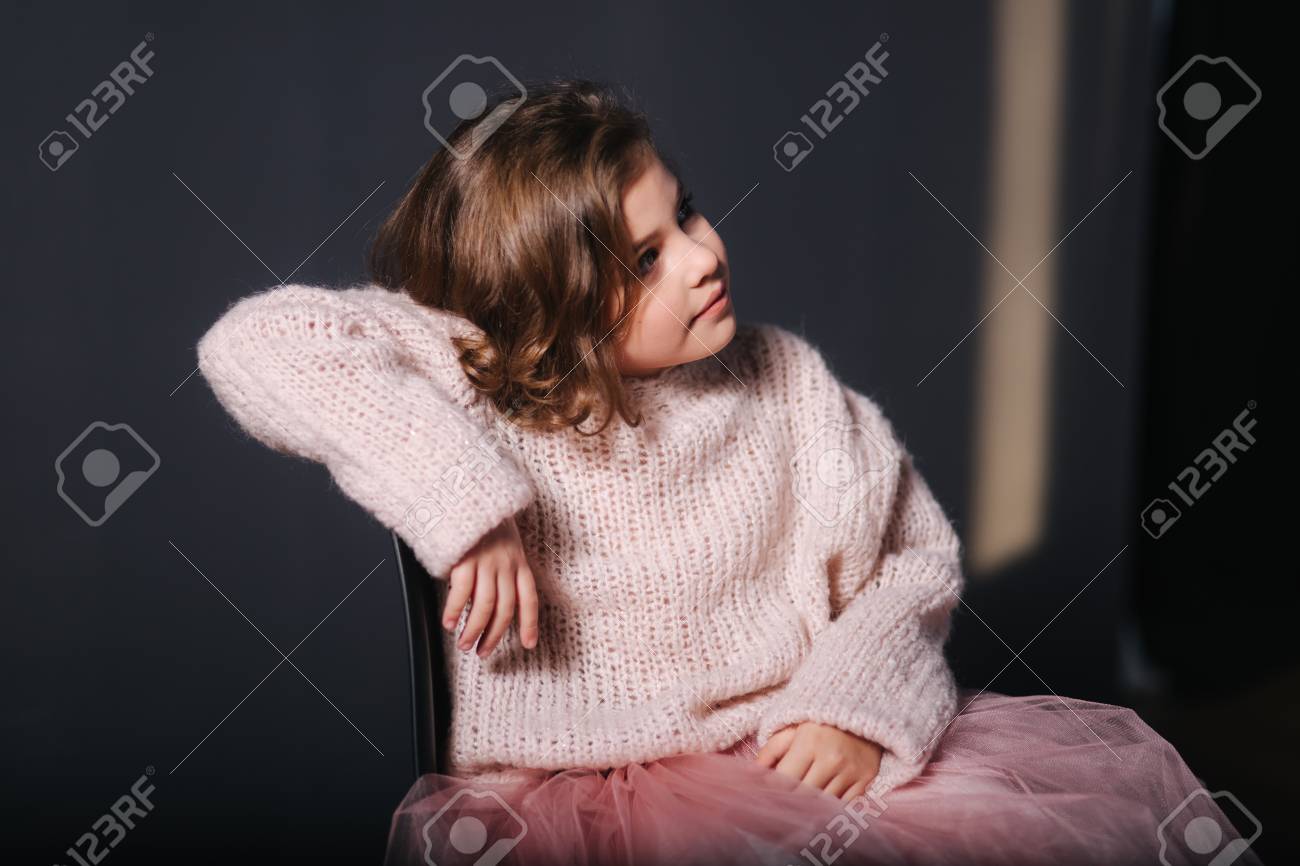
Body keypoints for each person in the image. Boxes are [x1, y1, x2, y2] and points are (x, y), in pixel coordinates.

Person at [195, 79, 1263, 866]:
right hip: (567, 797)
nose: (704, 256)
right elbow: (256, 345)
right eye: (645, 259)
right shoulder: (477, 367)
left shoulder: (784, 381)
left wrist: (852, 704)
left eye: (686, 213)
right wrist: (465, 504)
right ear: (544, 303)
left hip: (782, 749)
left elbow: (911, 559)